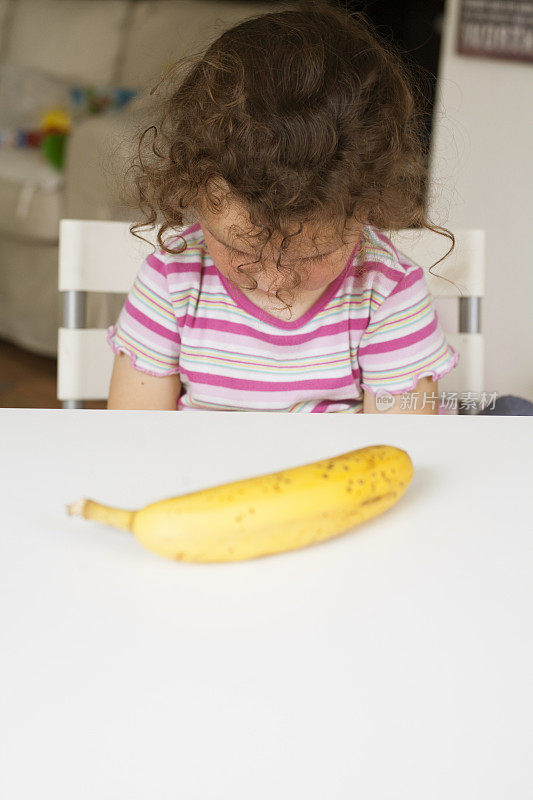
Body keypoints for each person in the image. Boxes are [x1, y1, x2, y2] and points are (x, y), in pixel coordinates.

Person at [107, 2, 460, 413]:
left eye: (313, 255)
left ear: (367, 208)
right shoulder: (172, 282)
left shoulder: (386, 294)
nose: (274, 284)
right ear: (195, 193)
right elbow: (136, 438)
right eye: (241, 249)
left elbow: (395, 449)